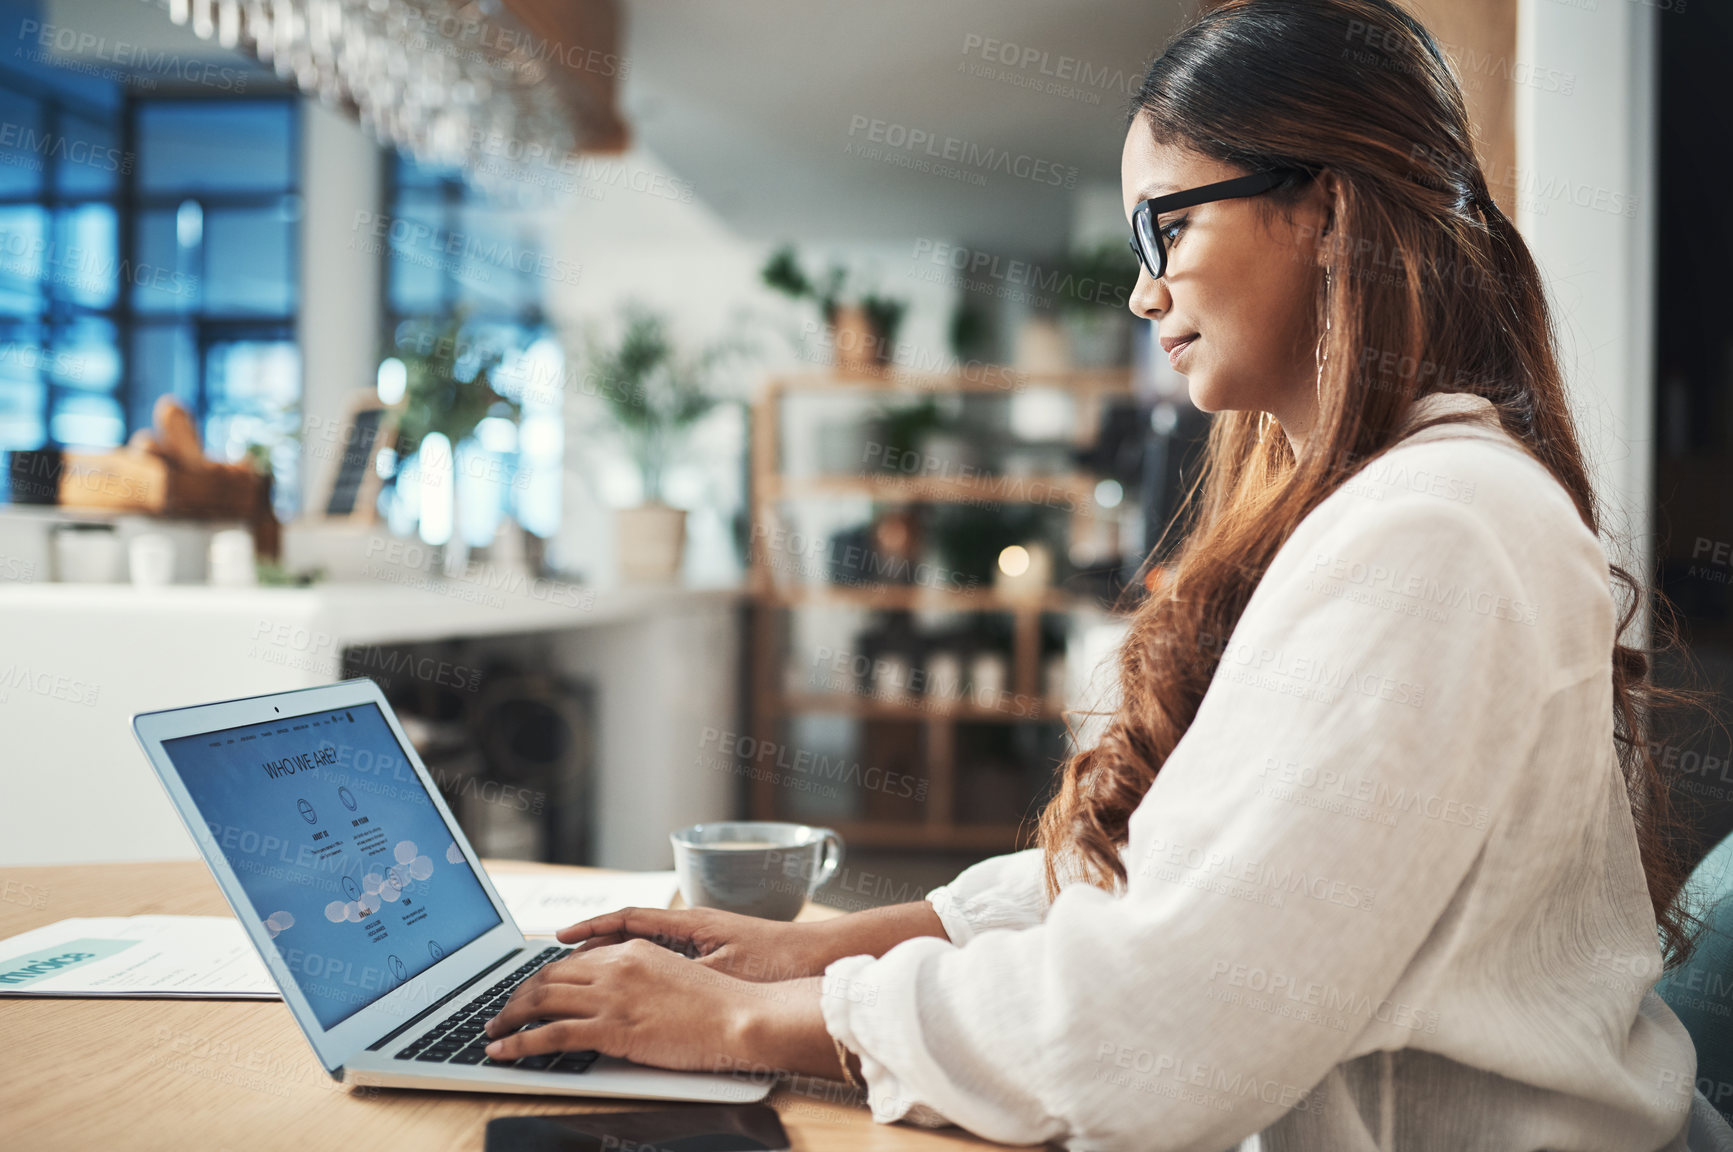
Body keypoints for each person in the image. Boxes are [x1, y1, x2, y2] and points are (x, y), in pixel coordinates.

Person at [480, 1, 1733, 1147]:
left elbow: (1170, 1024)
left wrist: (745, 1023)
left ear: (1326, 206)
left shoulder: (1438, 531)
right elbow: (1215, 866)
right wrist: (844, 944)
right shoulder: (1404, 505)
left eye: (1166, 224)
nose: (1142, 291)